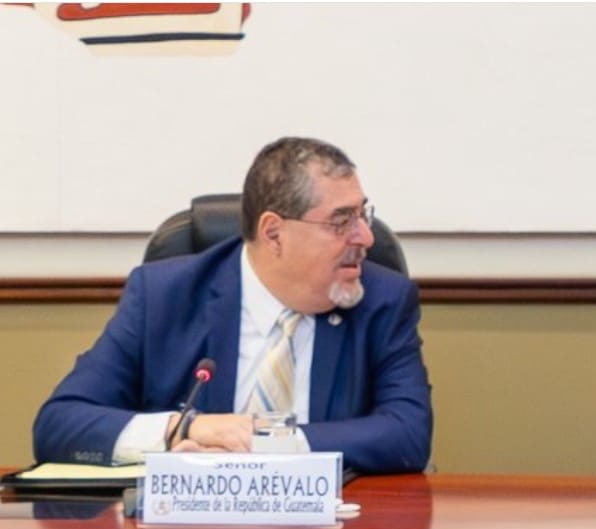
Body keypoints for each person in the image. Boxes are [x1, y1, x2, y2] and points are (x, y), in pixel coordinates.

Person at [33, 136, 432, 474]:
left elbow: (407, 433)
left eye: (363, 215)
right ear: (274, 233)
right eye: (341, 221)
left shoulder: (383, 301)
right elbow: (59, 425)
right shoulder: (164, 296)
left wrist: (262, 443)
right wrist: (188, 429)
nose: (364, 236)